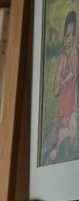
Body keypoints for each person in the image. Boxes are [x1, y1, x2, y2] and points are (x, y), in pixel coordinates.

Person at [47, 10, 78, 163]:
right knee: (61, 123)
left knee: (71, 128)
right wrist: (58, 85)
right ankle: (56, 147)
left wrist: (66, 79)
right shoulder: (62, 55)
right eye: (66, 35)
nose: (69, 39)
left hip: (71, 93)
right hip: (64, 95)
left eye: (71, 35)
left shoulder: (74, 53)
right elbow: (58, 73)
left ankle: (57, 146)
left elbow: (75, 71)